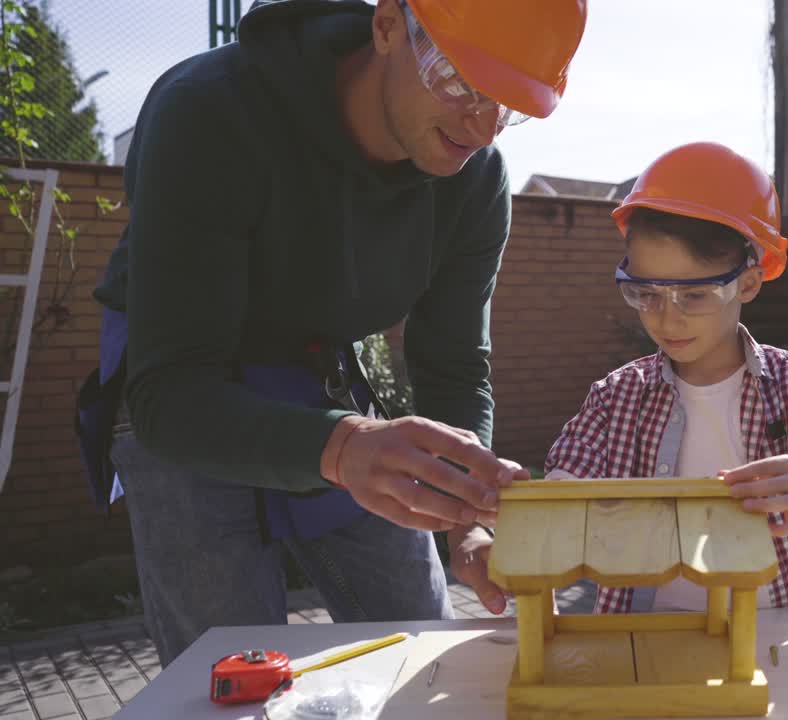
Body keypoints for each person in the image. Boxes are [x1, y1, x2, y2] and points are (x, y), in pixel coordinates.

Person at [78, 0, 587, 665]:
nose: (482, 124)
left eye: (510, 103)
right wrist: (345, 448)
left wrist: (465, 519)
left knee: (419, 646)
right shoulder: (208, 111)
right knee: (226, 671)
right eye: (461, 81)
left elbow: (455, 368)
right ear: (385, 27)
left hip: (323, 370)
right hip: (184, 385)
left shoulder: (474, 182)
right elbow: (169, 395)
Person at [543, 142, 788, 612]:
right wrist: (523, 531)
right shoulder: (615, 399)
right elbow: (556, 499)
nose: (666, 319)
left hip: (779, 634)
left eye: (693, 295)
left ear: (750, 283)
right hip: (650, 638)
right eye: (645, 292)